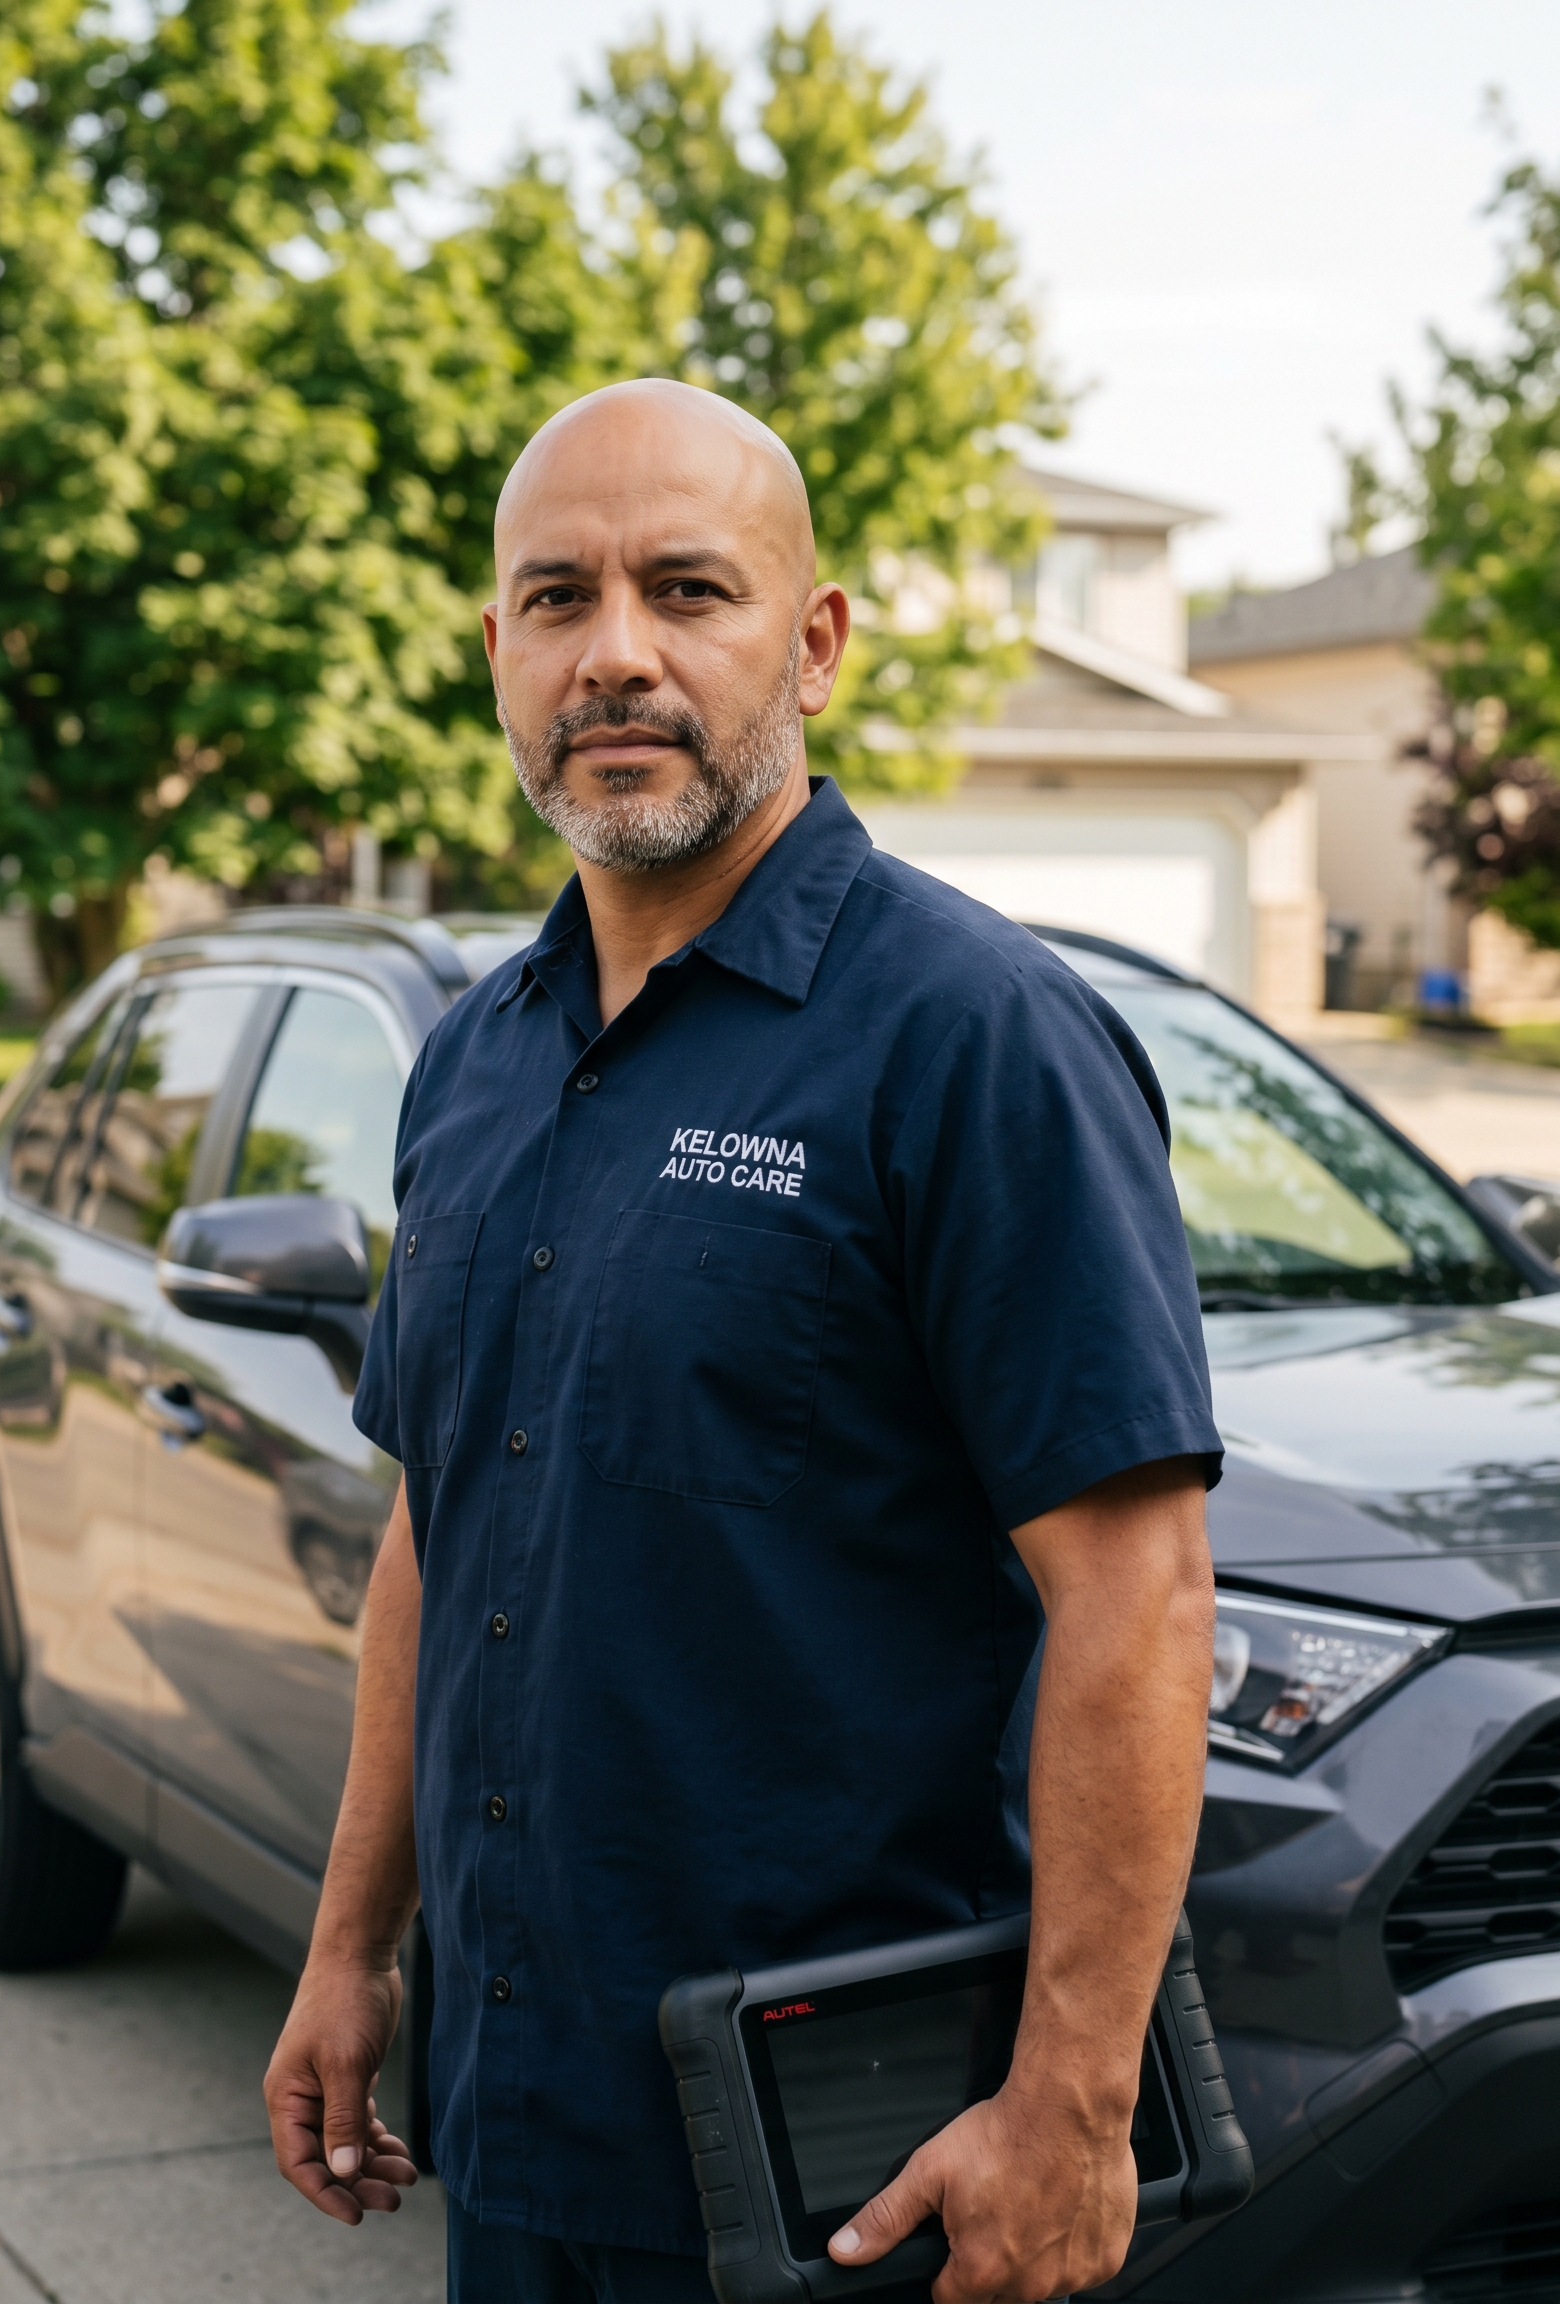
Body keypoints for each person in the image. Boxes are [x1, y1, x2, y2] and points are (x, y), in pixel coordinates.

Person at [264, 378, 1221, 2304]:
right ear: (497, 650)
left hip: (846, 2177)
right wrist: (351, 1945)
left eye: (687, 589)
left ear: (816, 641)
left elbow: (1139, 1595)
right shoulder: (471, 1062)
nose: (615, 654)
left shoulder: (971, 1037)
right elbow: (436, 1530)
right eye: (559, 598)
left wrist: (1073, 2103)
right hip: (516, 2114)